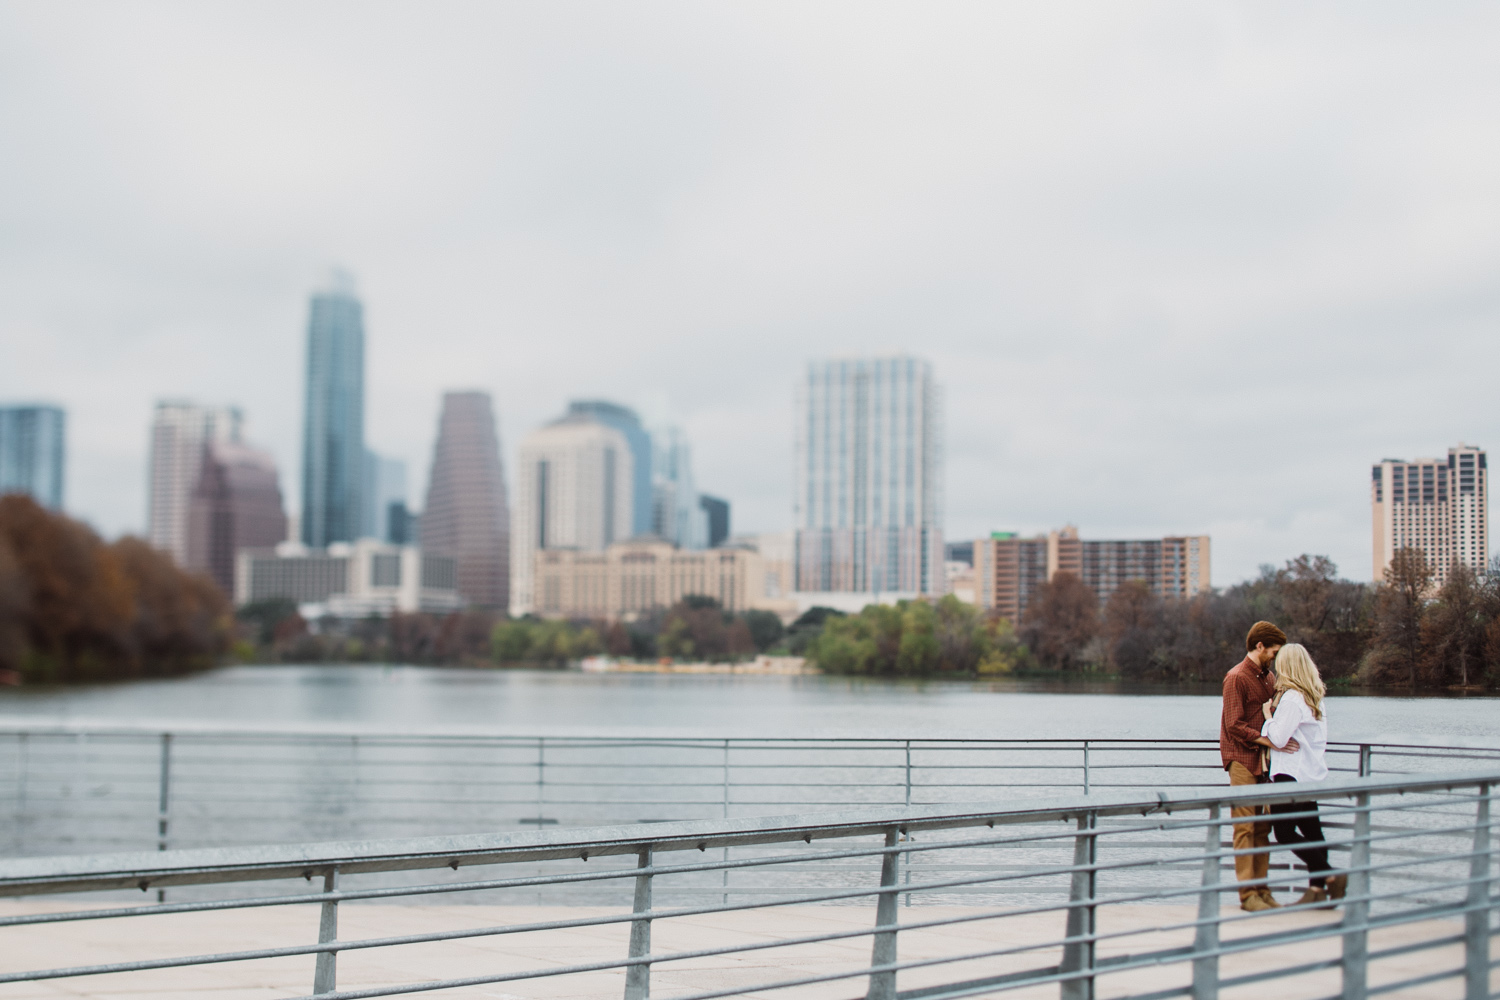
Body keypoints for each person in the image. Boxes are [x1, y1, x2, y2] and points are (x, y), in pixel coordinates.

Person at [1262, 643, 1347, 906]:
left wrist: (1267, 715)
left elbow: (1277, 737)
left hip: (1290, 774)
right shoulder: (1314, 696)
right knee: (1313, 832)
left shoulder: (1292, 698)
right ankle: (1318, 891)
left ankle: (1329, 875)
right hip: (1310, 773)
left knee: (1284, 833)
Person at [1221, 620, 1297, 912]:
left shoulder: (1268, 677)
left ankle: (1263, 890)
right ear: (1259, 646)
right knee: (1245, 827)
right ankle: (1247, 895)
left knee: (1263, 826)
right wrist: (1268, 741)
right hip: (1242, 759)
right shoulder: (1236, 677)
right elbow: (1234, 725)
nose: (1275, 657)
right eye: (1273, 652)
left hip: (1265, 762)